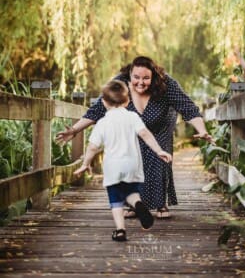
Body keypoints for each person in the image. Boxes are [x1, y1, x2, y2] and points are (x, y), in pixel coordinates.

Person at [56, 55, 213, 218]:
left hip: (161, 123)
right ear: (129, 75)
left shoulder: (167, 84)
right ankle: (133, 204)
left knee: (160, 155)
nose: (141, 82)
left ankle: (161, 204)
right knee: (133, 158)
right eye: (136, 77)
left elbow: (188, 108)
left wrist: (201, 130)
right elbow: (97, 110)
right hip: (131, 127)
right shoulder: (120, 84)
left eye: (146, 78)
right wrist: (74, 130)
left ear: (153, 77)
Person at [73, 79, 172, 242]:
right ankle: (139, 204)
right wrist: (159, 150)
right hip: (132, 165)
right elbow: (145, 134)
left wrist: (85, 164)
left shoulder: (103, 122)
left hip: (113, 166)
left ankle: (120, 230)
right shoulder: (132, 117)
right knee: (131, 192)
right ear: (127, 101)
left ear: (104, 102)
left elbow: (92, 146)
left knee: (116, 199)